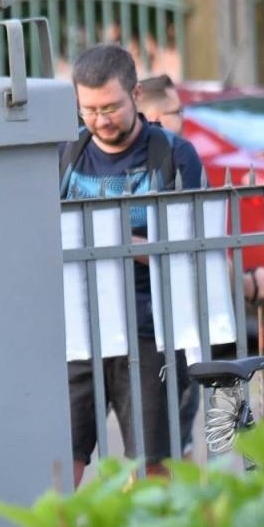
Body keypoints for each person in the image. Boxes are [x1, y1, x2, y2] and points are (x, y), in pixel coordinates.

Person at [61, 45, 206, 484]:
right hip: (76, 332)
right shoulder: (65, 155)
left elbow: (193, 246)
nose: (101, 120)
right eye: (89, 110)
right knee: (60, 456)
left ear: (136, 94)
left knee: (152, 463)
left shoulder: (174, 156)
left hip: (149, 331)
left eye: (111, 107)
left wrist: (119, 243)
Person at [136, 72, 201, 448]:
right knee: (174, 442)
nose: (184, 120)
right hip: (169, 323)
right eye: (179, 110)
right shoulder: (177, 158)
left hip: (147, 324)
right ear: (157, 112)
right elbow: (192, 245)